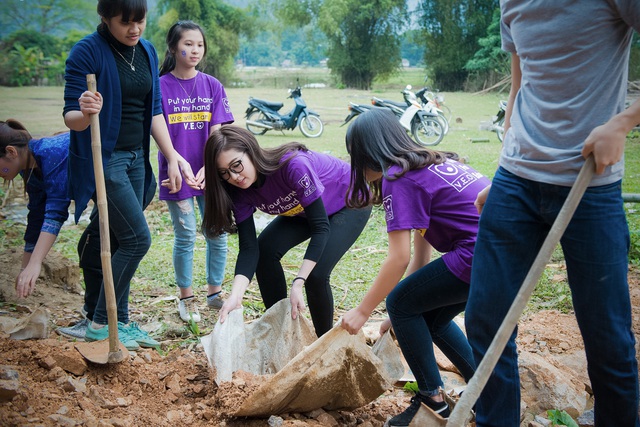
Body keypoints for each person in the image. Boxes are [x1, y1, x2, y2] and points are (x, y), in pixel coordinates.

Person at [465, 2, 640, 427]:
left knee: (607, 337)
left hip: (591, 185)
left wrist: (623, 123)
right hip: (516, 179)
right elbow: (519, 84)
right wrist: (506, 166)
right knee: (486, 318)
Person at [340, 108, 487, 423]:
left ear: (367, 152)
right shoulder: (431, 163)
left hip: (475, 254)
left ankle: (432, 399)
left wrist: (365, 311)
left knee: (399, 302)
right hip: (497, 254)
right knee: (427, 317)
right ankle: (486, 390)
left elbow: (399, 258)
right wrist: (398, 318)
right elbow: (421, 259)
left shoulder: (398, 178)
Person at [63, 0, 194, 350]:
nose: (134, 29)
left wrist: (172, 156)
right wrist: (85, 110)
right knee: (138, 239)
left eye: (141, 21)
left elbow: (153, 112)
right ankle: (100, 322)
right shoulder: (86, 52)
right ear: (105, 18)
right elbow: (70, 117)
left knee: (120, 240)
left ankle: (119, 319)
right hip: (106, 159)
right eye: (125, 23)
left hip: (138, 159)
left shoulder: (147, 51)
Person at [202, 125, 372, 337]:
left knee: (316, 275)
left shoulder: (293, 165)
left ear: (251, 150)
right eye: (224, 173)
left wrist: (298, 281)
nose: (235, 176)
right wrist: (236, 295)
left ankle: (324, 345)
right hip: (302, 210)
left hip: (350, 201)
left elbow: (320, 227)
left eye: (237, 165)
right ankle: (281, 332)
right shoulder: (239, 191)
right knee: (265, 251)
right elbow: (249, 248)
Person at [158, 20, 234, 323]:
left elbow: (218, 134)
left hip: (209, 174)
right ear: (174, 47)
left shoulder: (212, 85)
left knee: (217, 232)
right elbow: (157, 130)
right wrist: (177, 161)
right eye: (188, 44)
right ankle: (186, 298)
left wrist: (208, 166)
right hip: (175, 173)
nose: (194, 50)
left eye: (199, 45)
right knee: (186, 233)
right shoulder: (159, 86)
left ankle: (214, 293)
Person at [0, 120, 71, 299]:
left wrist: (35, 263)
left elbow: (56, 211)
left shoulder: (50, 153)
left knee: (93, 251)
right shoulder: (28, 169)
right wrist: (25, 270)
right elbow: (37, 215)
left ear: (11, 152)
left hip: (121, 181)